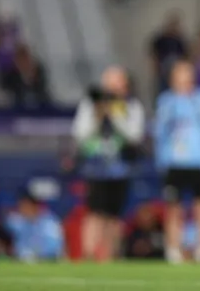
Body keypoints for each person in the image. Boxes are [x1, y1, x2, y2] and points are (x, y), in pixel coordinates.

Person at [71, 66, 145, 261]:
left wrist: (115, 114)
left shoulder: (131, 105)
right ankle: (88, 254)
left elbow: (134, 135)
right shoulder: (91, 104)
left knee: (114, 215)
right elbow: (80, 134)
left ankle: (110, 256)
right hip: (95, 168)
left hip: (120, 168)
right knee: (94, 213)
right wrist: (98, 115)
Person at [154, 60, 200, 263]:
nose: (185, 80)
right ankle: (173, 250)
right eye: (180, 75)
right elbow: (160, 132)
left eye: (188, 75)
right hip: (174, 163)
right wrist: (161, 159)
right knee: (174, 208)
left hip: (199, 162)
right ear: (173, 79)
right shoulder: (166, 101)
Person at [5, 189, 64, 262]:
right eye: (21, 206)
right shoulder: (16, 221)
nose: (22, 209)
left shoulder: (49, 222)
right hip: (20, 261)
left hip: (45, 260)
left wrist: (34, 255)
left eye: (26, 205)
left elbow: (53, 247)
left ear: (34, 206)